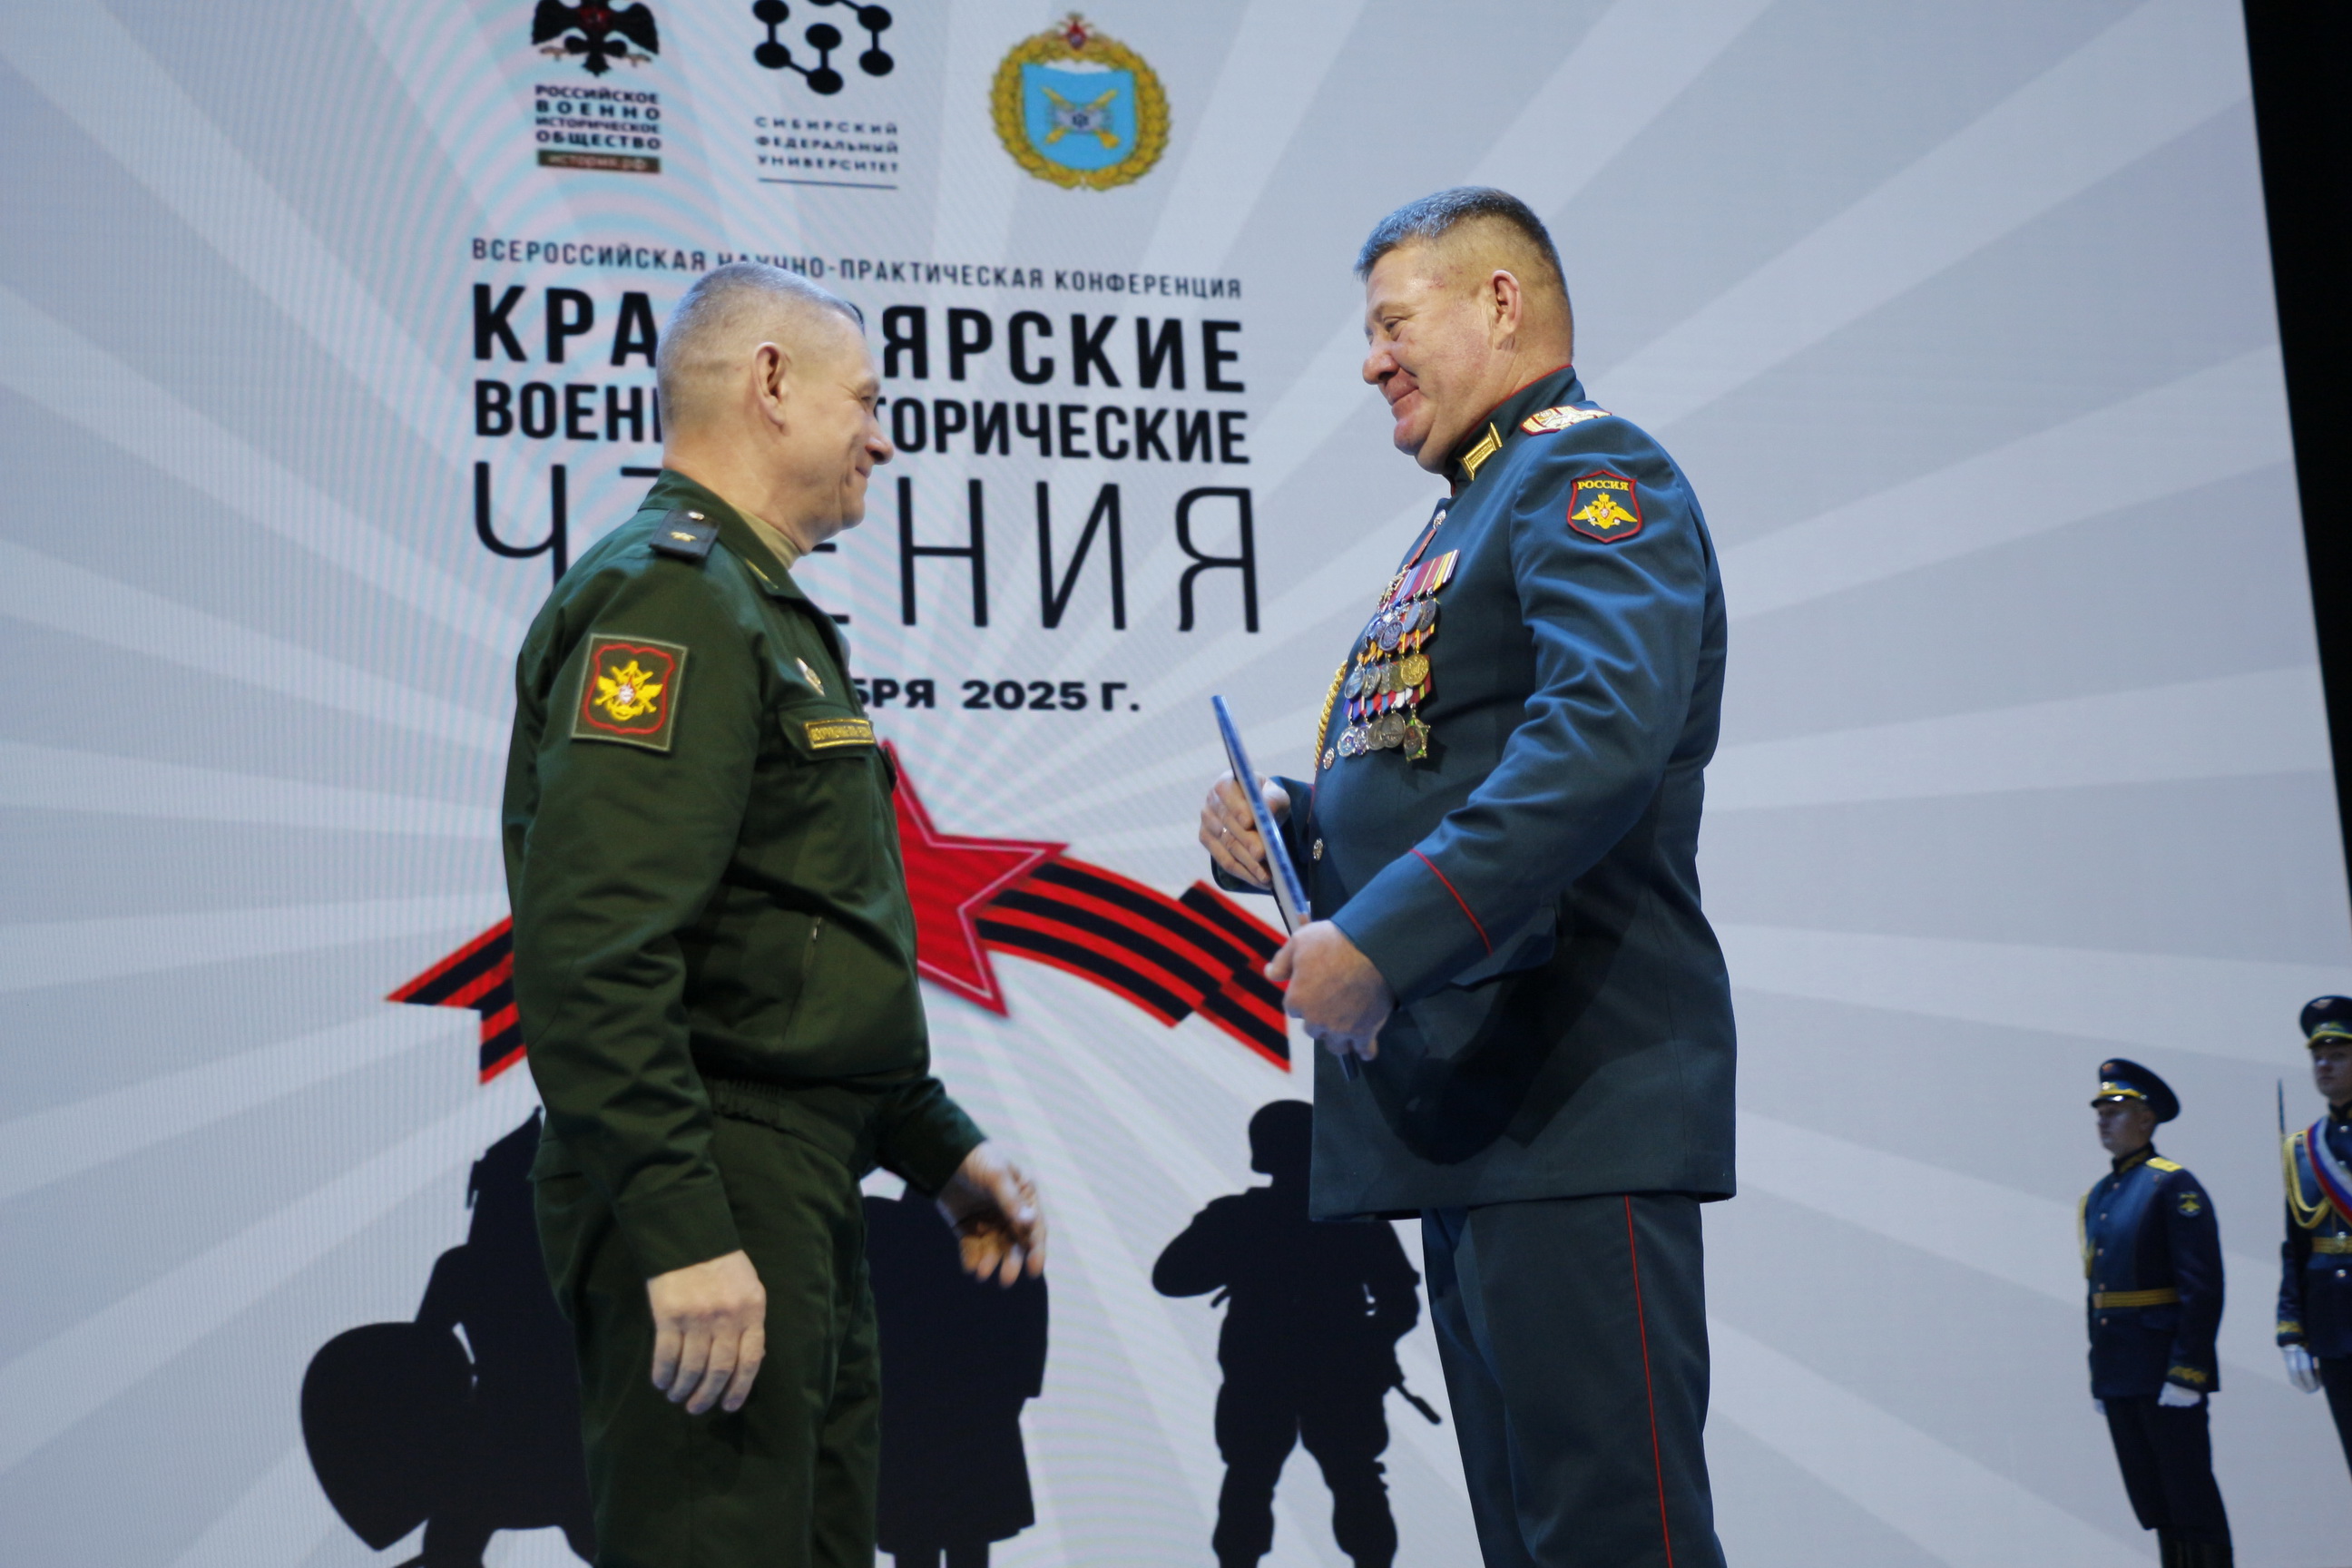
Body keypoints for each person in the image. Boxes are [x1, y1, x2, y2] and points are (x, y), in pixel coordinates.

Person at [1199, 187, 1731, 1568]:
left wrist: (1379, 941)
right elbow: (1451, 766)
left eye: (1393, 323)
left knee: (1613, 1540)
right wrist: (1296, 828)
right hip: (1486, 1118)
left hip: (1572, 1105)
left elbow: (1600, 740)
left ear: (1500, 302)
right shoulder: (1474, 509)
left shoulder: (1585, 471)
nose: (1370, 361)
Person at [503, 261, 1047, 1568]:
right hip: (716, 1179)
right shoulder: (675, 595)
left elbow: (783, 948)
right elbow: (597, 949)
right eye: (866, 399)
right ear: (770, 384)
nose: (884, 437)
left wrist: (934, 1146)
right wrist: (683, 1227)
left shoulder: (749, 604)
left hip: (788, 1180)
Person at [1152, 1101, 1424, 1568]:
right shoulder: (1349, 1217)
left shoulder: (1244, 1217)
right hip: (1326, 1377)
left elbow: (1172, 1276)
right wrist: (1369, 1345)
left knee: (1259, 1481)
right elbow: (1400, 1302)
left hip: (1273, 1374)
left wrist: (1241, 1259)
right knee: (1344, 1480)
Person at [2082, 1059, 2230, 1568]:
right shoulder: (2099, 1196)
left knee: (2190, 1497)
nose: (2104, 1119)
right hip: (2120, 1371)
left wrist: (2188, 1369)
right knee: (2153, 1500)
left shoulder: (2173, 1186)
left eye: (2116, 1110)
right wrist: (2099, 1371)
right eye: (2101, 1111)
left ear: (2147, 1118)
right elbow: (2097, 1291)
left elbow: (2201, 1287)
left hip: (2163, 1367)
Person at [864, 1180, 1049, 1568]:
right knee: (969, 1537)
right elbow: (1029, 1316)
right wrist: (1016, 1392)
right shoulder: (998, 1240)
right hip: (974, 1416)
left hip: (905, 1413)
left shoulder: (881, 1228)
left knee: (914, 1538)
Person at [2278, 994, 2352, 1478]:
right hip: (2333, 1329)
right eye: (2318, 1057)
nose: (2324, 1065)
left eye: (2338, 1055)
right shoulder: (2302, 1149)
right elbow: (2296, 1249)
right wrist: (2292, 1332)